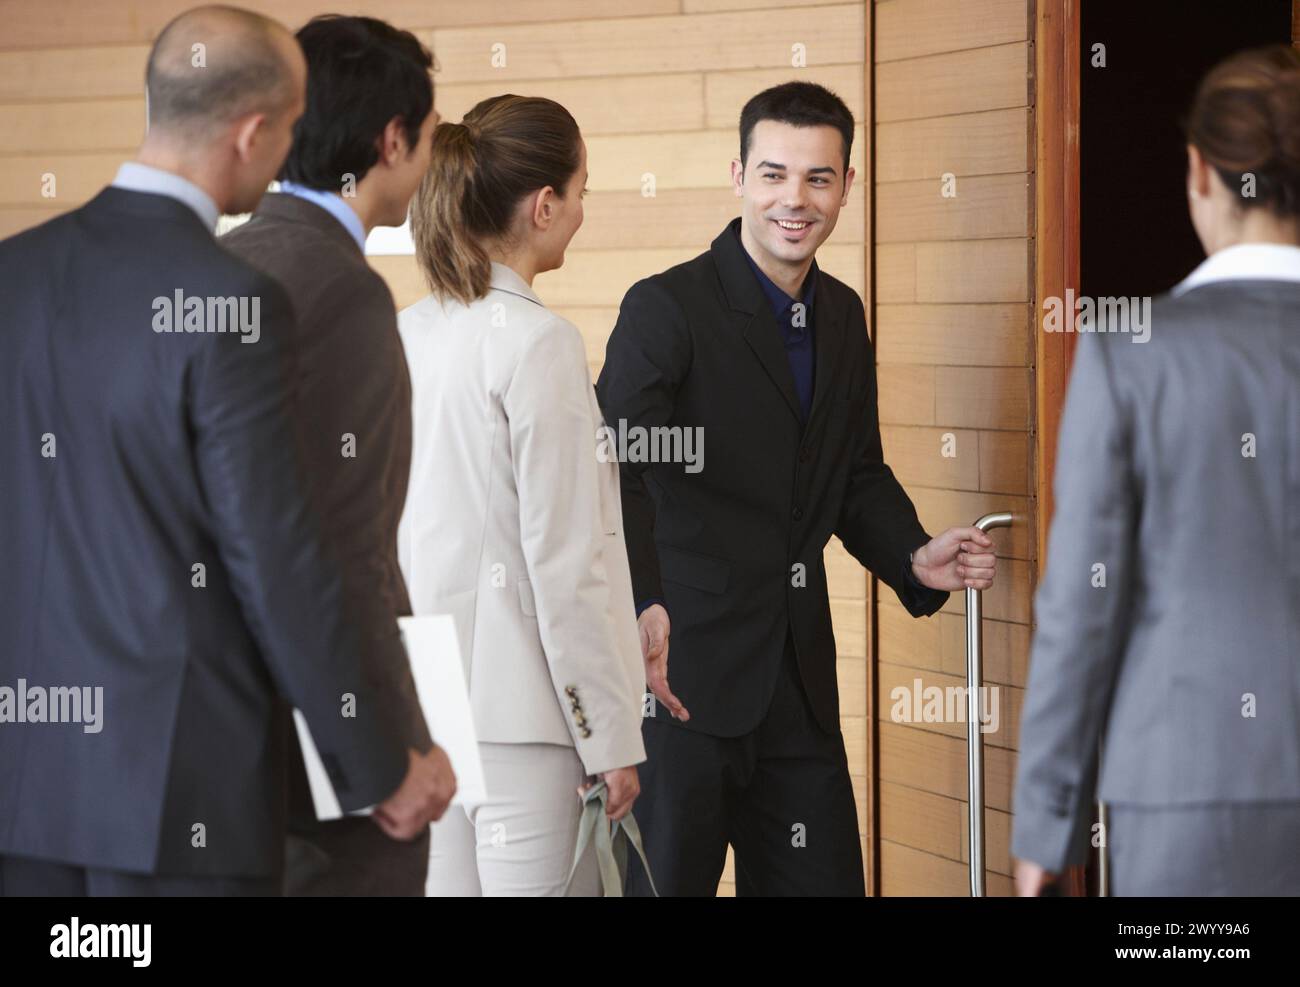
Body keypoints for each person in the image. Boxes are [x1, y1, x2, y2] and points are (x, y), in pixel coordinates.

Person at [0, 5, 449, 897]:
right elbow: (280, 555)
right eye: (284, 130)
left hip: (28, 780)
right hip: (176, 785)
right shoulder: (230, 299)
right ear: (251, 133)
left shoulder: (17, 271)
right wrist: (376, 761)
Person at [596, 81, 998, 897]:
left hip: (798, 688)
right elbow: (613, 469)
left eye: (819, 178)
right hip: (678, 680)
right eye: (775, 174)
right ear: (738, 175)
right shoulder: (665, 308)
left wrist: (914, 556)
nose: (796, 199)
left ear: (848, 184)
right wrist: (638, 604)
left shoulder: (843, 316)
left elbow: (852, 471)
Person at [1012, 44, 1300, 897]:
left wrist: (1046, 826)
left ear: (1200, 172)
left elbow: (1081, 605)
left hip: (1184, 787)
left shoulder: (1132, 349)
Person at [221, 13, 452, 897]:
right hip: (320, 749)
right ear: (392, 140)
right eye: (428, 138)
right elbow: (344, 553)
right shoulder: (344, 293)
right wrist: (391, 754)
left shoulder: (226, 260)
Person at [399, 95, 647, 896]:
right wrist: (610, 734)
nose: (582, 210)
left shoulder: (405, 332)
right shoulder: (541, 344)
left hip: (423, 705)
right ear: (544, 207)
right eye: (580, 189)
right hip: (524, 726)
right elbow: (565, 564)